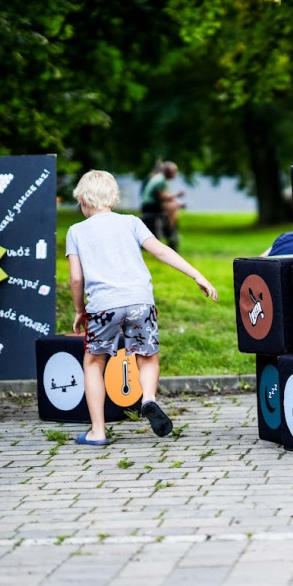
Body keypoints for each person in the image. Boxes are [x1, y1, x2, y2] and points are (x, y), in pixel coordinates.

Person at [67, 170, 218, 446]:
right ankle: (148, 398)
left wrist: (80, 309)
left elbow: (76, 278)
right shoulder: (131, 222)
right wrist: (197, 275)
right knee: (146, 356)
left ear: (83, 200)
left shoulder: (76, 231)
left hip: (104, 306)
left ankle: (98, 432)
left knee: (94, 363)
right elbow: (161, 250)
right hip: (140, 301)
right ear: (112, 198)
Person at [140, 160, 185, 251]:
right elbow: (162, 197)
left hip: (152, 205)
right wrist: (177, 196)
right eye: (174, 172)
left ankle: (171, 232)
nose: (175, 174)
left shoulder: (161, 179)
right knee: (171, 208)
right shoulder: (160, 180)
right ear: (168, 171)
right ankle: (171, 232)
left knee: (172, 206)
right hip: (150, 205)